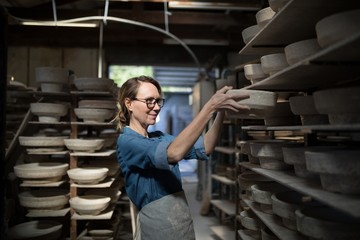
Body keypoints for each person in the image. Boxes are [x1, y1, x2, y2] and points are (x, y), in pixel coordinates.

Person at [114, 75, 249, 240]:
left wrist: (221, 111)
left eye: (158, 101)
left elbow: (206, 146)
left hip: (181, 221)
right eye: (149, 101)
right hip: (158, 228)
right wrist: (210, 107)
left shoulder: (160, 137)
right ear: (129, 104)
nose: (156, 107)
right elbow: (174, 153)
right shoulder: (127, 141)